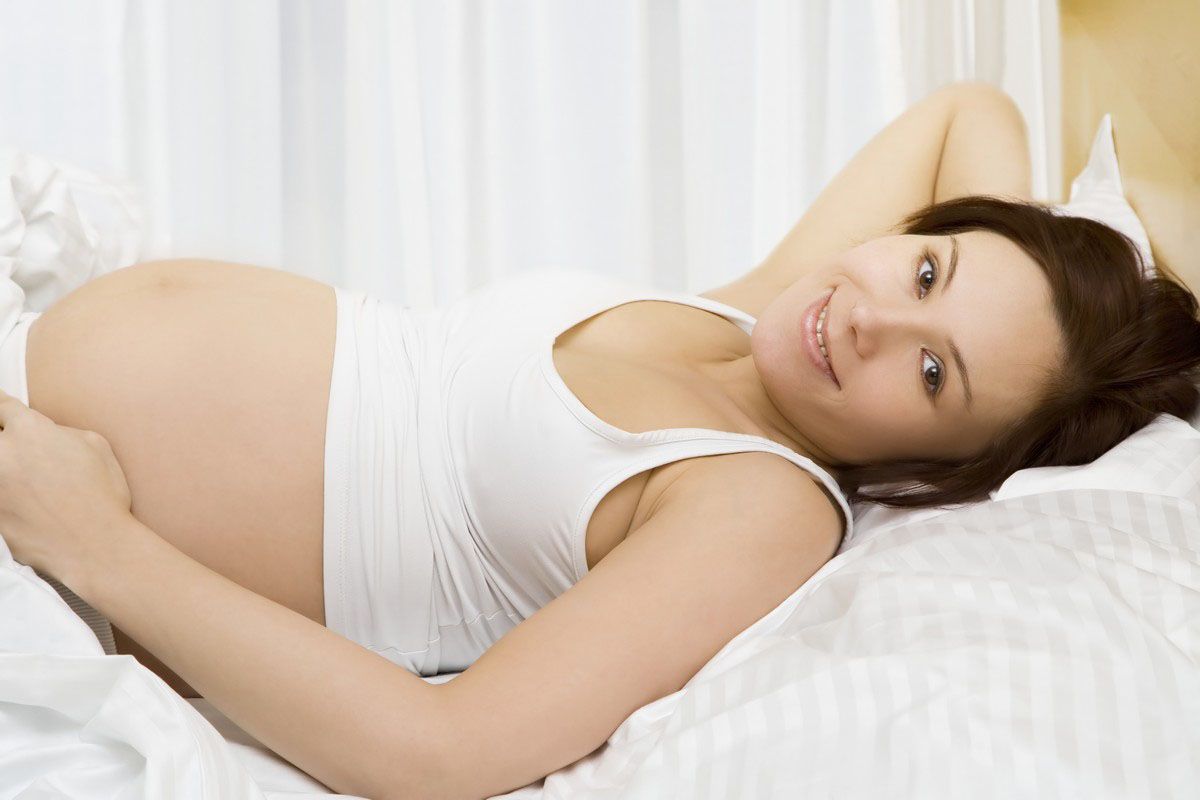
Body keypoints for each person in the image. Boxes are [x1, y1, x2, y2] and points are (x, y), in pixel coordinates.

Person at [0, 80, 1196, 799]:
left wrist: (96, 540)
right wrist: (1082, 290)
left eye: (933, 373)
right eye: (925, 263)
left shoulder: (759, 505)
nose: (874, 315)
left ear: (944, 467)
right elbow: (964, 112)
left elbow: (445, 748)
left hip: (47, 550)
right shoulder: (763, 319)